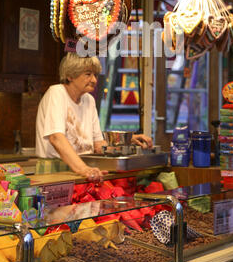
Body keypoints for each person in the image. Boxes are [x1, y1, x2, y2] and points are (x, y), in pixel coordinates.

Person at [36, 53, 152, 182]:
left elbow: (98, 144)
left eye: (95, 75)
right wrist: (83, 169)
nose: (94, 80)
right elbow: (56, 138)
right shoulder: (57, 93)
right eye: (88, 74)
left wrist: (126, 140)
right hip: (57, 169)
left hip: (84, 167)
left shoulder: (89, 100)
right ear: (70, 75)